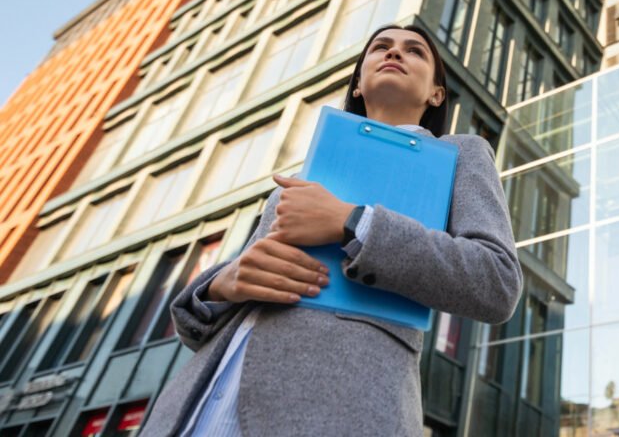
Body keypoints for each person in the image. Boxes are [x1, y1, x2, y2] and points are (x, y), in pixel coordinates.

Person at [139, 24, 523, 436]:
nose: (394, 53)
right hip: (202, 401)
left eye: (414, 51)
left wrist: (354, 222)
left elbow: (496, 281)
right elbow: (197, 326)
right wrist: (222, 285)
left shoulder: (459, 155)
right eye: (380, 47)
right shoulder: (304, 175)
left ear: (436, 94)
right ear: (358, 83)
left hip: (339, 407)